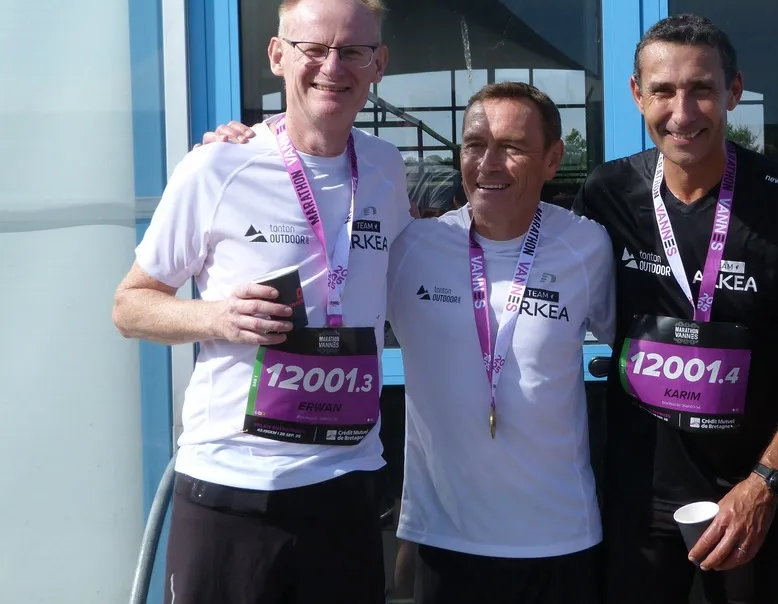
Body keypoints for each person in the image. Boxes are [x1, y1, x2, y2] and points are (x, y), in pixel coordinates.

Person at [203, 81, 617, 604]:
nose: (488, 163)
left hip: (562, 535)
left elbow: (634, 350)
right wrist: (251, 149)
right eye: (474, 145)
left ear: (553, 159)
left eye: (512, 147)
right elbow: (323, 244)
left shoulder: (586, 245)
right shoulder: (412, 247)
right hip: (442, 538)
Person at [112, 0, 407, 603]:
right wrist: (217, 317)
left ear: (378, 64)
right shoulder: (217, 166)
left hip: (347, 486)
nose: (332, 67)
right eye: (313, 49)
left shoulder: (387, 168)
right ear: (277, 55)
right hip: (232, 489)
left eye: (354, 51)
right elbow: (130, 306)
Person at [572, 13, 778, 604]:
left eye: (701, 89)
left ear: (734, 91)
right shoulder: (606, 194)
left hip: (746, 494)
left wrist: (767, 481)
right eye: (663, 90)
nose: (682, 112)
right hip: (636, 494)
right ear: (637, 94)